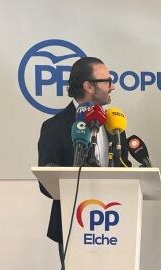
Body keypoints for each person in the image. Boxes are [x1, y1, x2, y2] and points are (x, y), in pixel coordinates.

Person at [37, 56, 130, 269]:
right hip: (73, 223)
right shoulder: (54, 127)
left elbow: (125, 170)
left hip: (114, 224)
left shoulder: (116, 126)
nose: (112, 86)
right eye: (107, 81)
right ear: (89, 86)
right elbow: (46, 184)